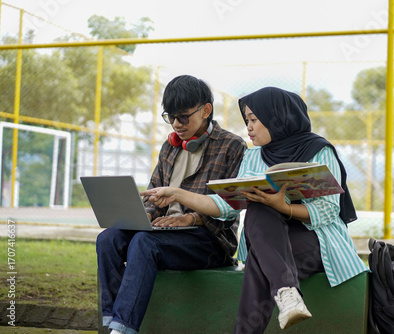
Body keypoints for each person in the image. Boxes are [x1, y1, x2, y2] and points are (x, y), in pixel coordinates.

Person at [141, 86, 369, 333]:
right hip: (270, 240)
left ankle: (273, 301)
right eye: (246, 120)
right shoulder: (252, 157)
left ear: (277, 118)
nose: (248, 127)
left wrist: (283, 207)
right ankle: (287, 293)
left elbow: (328, 211)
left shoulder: (318, 151)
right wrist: (177, 193)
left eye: (254, 120)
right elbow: (226, 205)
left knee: (260, 258)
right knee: (259, 212)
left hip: (315, 242)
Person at [96, 75, 247, 334]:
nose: (176, 124)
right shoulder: (169, 146)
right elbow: (155, 195)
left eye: (183, 117)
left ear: (206, 110)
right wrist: (140, 216)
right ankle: (108, 322)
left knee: (144, 243)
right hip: (165, 232)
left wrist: (192, 218)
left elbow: (229, 208)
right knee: (108, 238)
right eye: (170, 117)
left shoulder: (232, 146)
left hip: (209, 240)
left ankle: (122, 330)